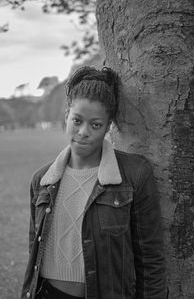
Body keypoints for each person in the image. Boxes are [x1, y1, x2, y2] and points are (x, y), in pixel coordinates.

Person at [21, 66, 167, 299]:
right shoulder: (42, 180)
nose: (83, 132)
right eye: (77, 121)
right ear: (66, 116)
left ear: (108, 127)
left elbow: (150, 259)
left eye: (95, 124)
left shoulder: (133, 174)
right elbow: (34, 251)